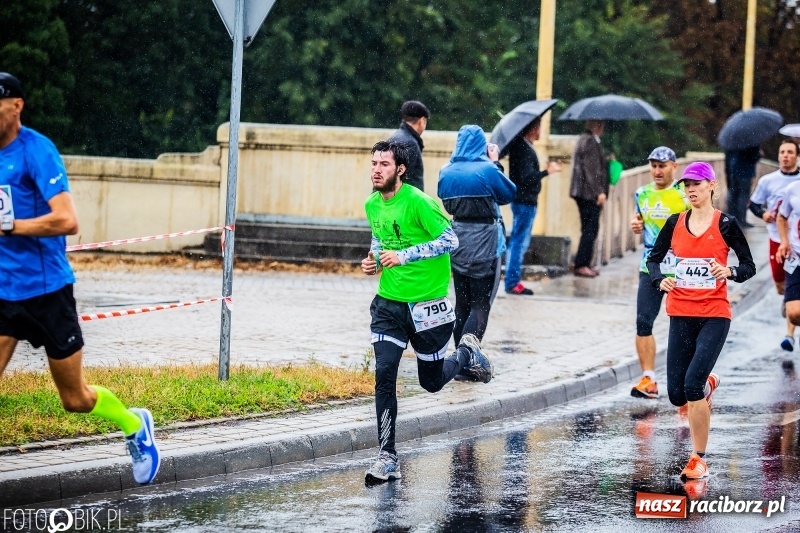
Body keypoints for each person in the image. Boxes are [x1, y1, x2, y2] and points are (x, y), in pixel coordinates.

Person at [0, 73, 160, 484]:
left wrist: (11, 227)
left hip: (47, 290)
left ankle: (133, 423)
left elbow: (68, 220)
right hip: (3, 291)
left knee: (75, 399)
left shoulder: (37, 151)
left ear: (16, 106)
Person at [361, 139, 493, 482]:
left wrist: (404, 256)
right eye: (374, 163)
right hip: (389, 303)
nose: (376, 170)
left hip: (428, 306)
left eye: (384, 165)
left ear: (400, 170)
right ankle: (387, 456)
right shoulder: (372, 205)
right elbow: (380, 241)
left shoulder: (419, 203)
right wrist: (374, 260)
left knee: (431, 382)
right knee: (385, 372)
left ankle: (466, 353)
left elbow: (450, 240)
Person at [647, 161, 755, 480]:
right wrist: (659, 280)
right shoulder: (675, 222)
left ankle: (699, 458)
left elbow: (748, 265)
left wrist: (730, 271)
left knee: (691, 384)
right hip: (680, 312)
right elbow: (654, 259)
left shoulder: (726, 224)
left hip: (714, 314)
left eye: (696, 184)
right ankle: (709, 383)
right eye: (686, 185)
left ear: (711, 186)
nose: (690, 189)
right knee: (677, 395)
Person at [437, 125, 516, 349]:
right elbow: (508, 194)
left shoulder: (446, 171)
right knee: (481, 305)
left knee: (462, 304)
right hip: (486, 243)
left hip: (458, 239)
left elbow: (444, 199)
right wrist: (495, 162)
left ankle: (459, 358)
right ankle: (467, 358)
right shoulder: (488, 170)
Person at [629, 147, 689, 399]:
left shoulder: (684, 195)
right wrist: (636, 225)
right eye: (653, 165)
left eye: (662, 166)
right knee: (643, 321)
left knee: (684, 325)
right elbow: (639, 221)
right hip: (650, 267)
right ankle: (649, 379)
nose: (656, 171)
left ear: (674, 167)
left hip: (681, 269)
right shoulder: (641, 194)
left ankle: (689, 379)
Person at [748, 140, 800, 351]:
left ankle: (789, 333)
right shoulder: (768, 180)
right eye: (782, 152)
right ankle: (789, 299)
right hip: (777, 239)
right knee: (780, 284)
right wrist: (764, 214)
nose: (785, 156)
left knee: (793, 299)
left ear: (797, 156)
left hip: (793, 244)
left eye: (789, 152)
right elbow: (753, 205)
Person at [503, 117, 562, 295]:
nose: (540, 132)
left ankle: (512, 280)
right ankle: (512, 282)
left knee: (518, 240)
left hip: (523, 200)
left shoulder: (523, 148)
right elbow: (526, 179)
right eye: (539, 128)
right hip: (524, 201)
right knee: (519, 241)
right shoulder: (523, 149)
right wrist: (546, 172)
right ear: (532, 129)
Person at [569, 120, 609, 278]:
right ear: (598, 127)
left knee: (588, 228)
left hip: (581, 192)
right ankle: (582, 264)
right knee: (590, 229)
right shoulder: (590, 141)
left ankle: (583, 262)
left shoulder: (583, 139)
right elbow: (591, 170)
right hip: (588, 194)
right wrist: (599, 191)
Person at [776, 176, 800, 348]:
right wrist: (784, 241)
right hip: (795, 256)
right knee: (793, 313)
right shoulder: (792, 188)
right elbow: (781, 216)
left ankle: (789, 335)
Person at [387, 100, 429, 191]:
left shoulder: (393, 137)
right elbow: (401, 180)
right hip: (405, 203)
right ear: (422, 121)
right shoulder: (410, 143)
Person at [724, 145, 761, 227]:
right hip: (745, 172)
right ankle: (741, 220)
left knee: (733, 194)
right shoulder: (751, 141)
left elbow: (727, 156)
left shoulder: (732, 140)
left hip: (733, 170)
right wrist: (759, 154)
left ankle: (731, 218)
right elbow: (754, 157)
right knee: (744, 195)